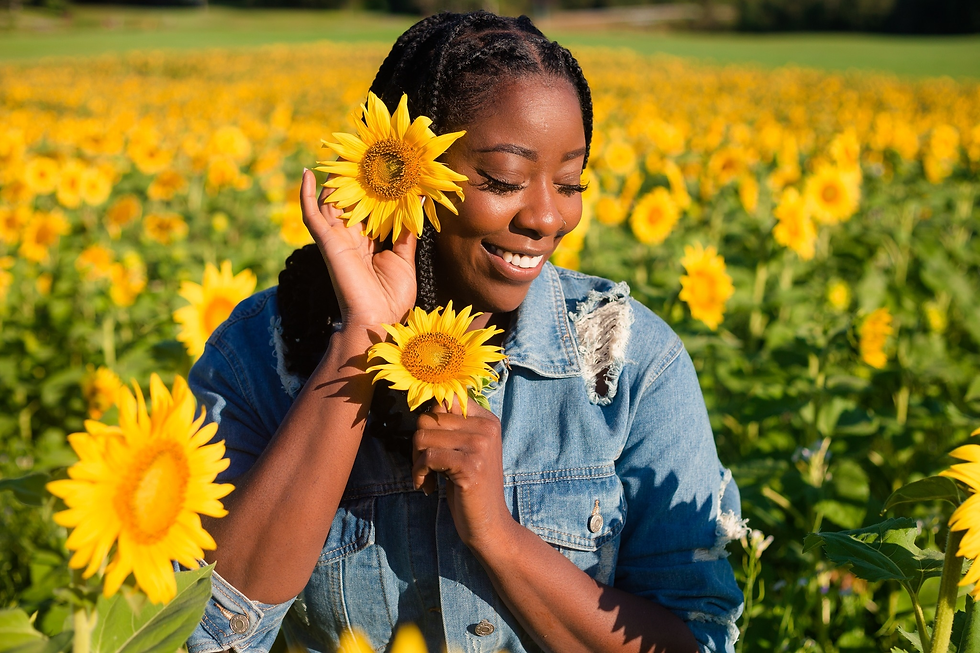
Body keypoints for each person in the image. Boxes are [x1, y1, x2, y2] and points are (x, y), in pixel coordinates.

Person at [184, 11, 744, 653]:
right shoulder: (261, 354)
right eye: (504, 180)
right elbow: (206, 636)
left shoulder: (628, 364)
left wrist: (499, 538)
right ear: (407, 176)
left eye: (570, 183)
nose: (546, 216)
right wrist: (360, 340)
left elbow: (700, 642)